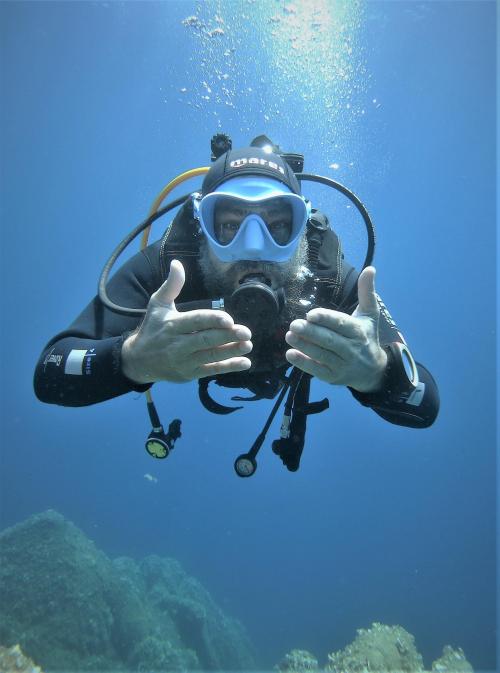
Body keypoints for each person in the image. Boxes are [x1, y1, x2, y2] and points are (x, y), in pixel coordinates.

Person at [34, 135, 439, 476]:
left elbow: (425, 402)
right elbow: (51, 369)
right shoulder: (171, 265)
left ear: (303, 227)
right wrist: (132, 359)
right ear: (200, 225)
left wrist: (377, 372)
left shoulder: (330, 276)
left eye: (278, 225)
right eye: (229, 225)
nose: (254, 246)